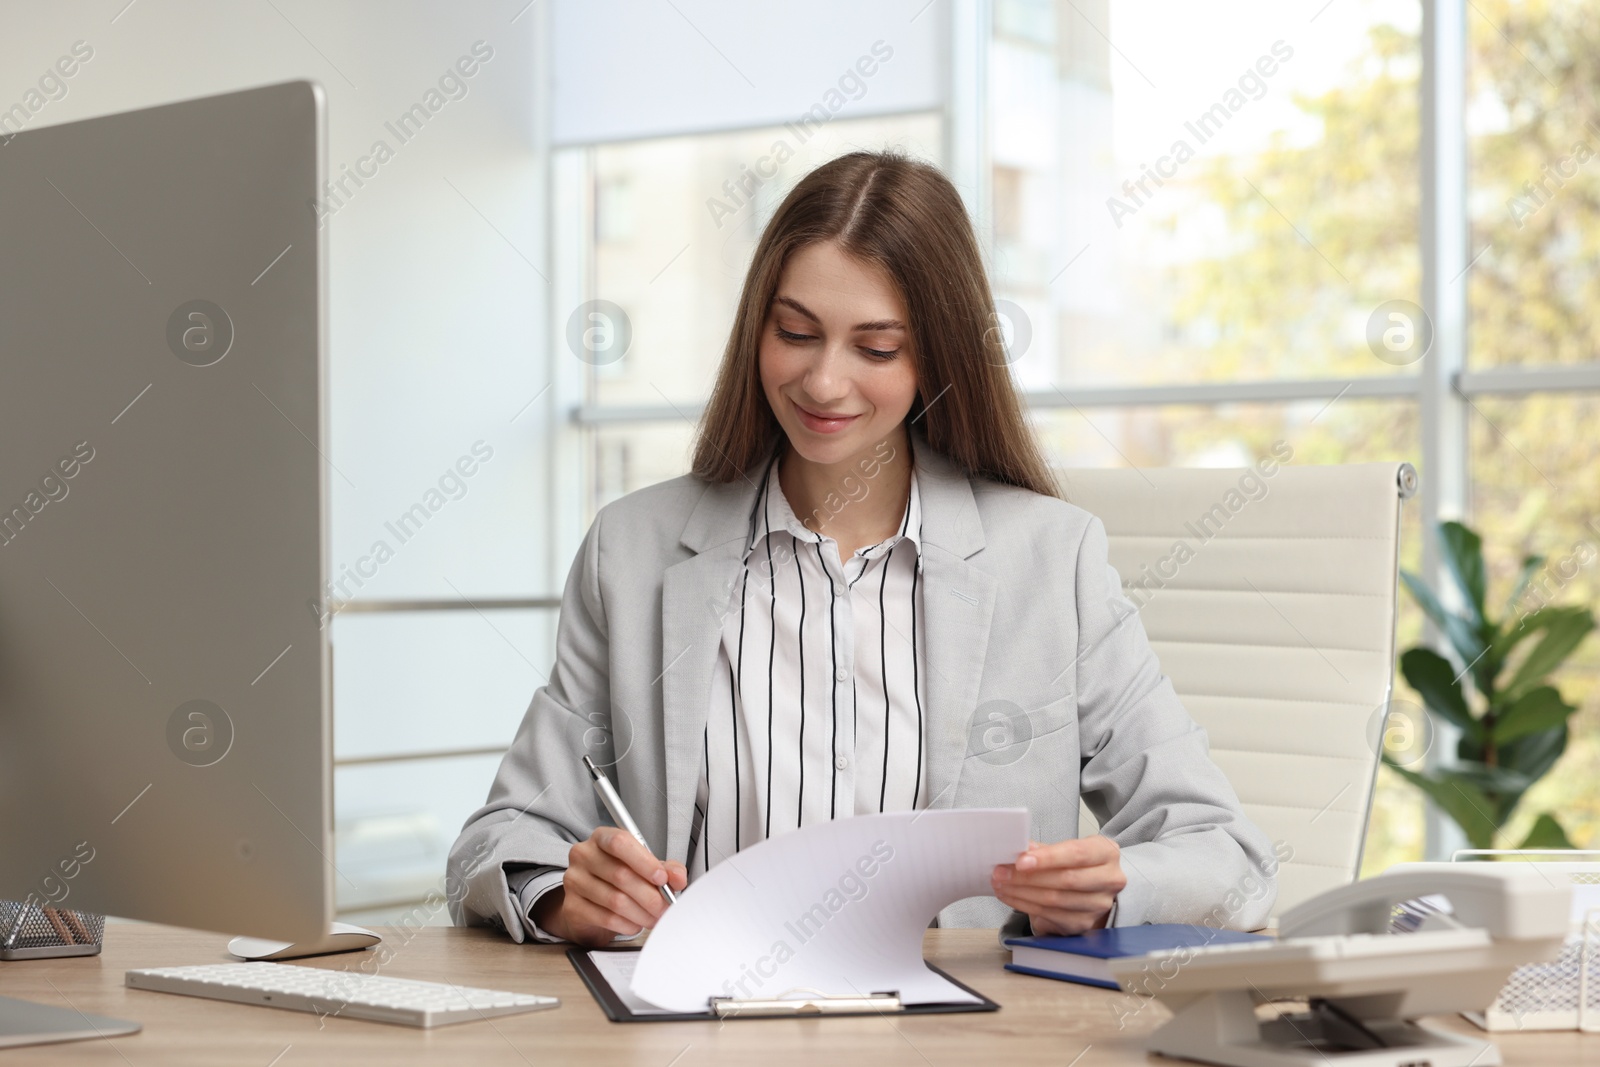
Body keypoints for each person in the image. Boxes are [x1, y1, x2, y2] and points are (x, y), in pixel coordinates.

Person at [448, 150, 1277, 948]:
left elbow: (1226, 853)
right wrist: (563, 892)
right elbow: (500, 838)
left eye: (876, 348)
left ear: (937, 356)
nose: (824, 382)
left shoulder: (1052, 562)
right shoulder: (630, 554)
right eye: (796, 332)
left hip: (963, 1040)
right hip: (701, 1029)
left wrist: (1109, 891)